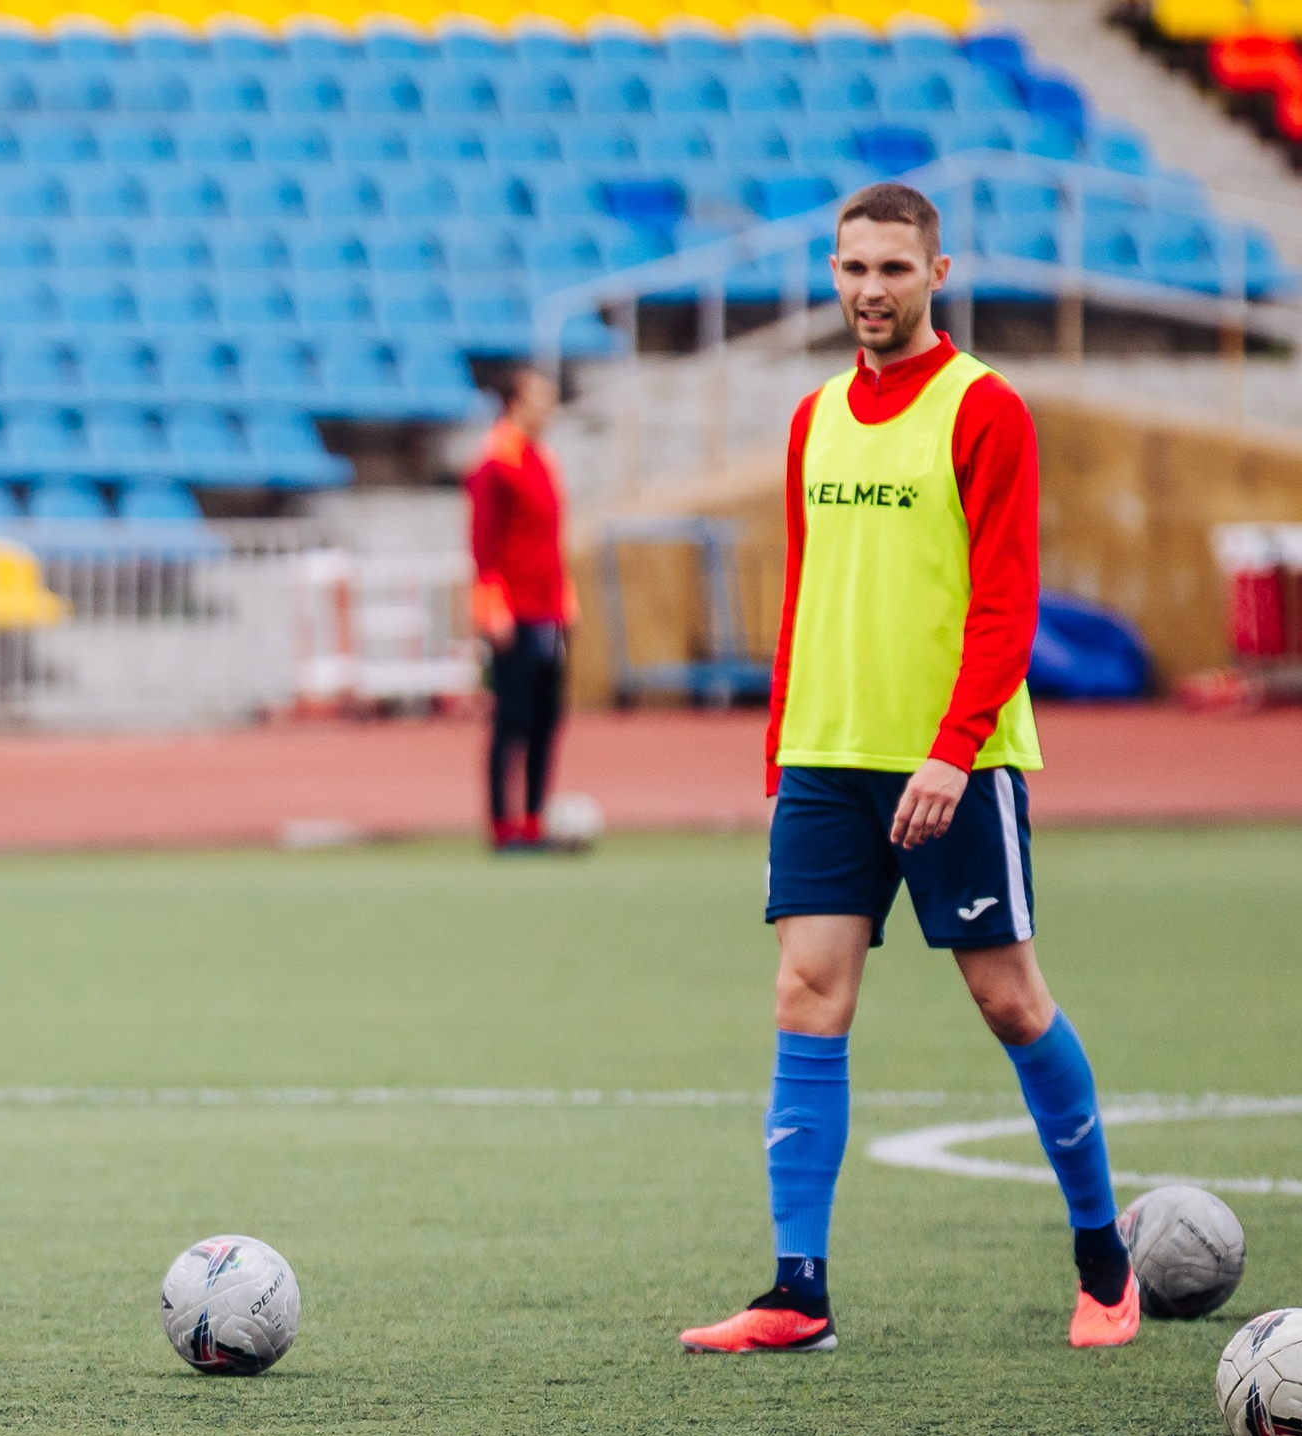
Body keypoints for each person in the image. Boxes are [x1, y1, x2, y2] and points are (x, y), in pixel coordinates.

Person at [679, 183, 1135, 1356]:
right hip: (825, 758)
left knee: (1007, 998)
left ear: (937, 273)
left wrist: (950, 749)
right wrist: (780, 754)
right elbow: (803, 593)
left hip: (953, 761)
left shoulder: (983, 408)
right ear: (831, 274)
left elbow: (1006, 601)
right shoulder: (814, 416)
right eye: (852, 268)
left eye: (891, 268)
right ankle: (798, 1291)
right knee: (805, 993)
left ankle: (1104, 1261)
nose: (869, 289)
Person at [466, 366, 569, 853]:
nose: (550, 406)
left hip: (549, 610)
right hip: (514, 612)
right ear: (515, 402)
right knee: (511, 719)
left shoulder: (542, 458)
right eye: (541, 397)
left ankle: (533, 820)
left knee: (547, 718)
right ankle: (501, 825)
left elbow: (548, 539)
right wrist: (493, 609)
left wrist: (565, 600)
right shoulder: (496, 461)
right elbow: (482, 544)